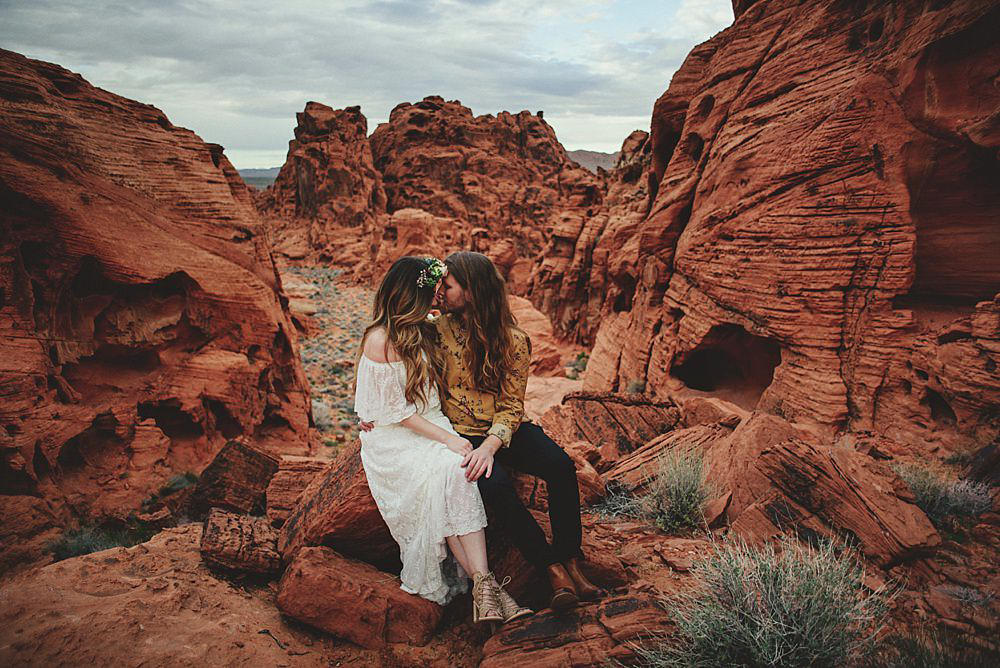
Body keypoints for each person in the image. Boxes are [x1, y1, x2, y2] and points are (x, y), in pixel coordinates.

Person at [352, 256, 531, 626]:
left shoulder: (423, 329)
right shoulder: (380, 339)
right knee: (449, 469)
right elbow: (398, 412)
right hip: (398, 436)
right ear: (412, 296)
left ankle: (485, 590)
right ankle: (493, 590)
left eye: (440, 293)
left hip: (431, 422)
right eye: (432, 295)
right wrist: (449, 439)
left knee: (456, 474)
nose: (438, 302)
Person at [434, 250, 601, 610]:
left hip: (504, 429)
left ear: (473, 290)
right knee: (496, 487)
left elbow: (512, 406)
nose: (441, 293)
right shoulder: (437, 331)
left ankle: (572, 559)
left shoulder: (512, 339)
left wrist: (491, 447)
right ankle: (552, 568)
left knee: (559, 465)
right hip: (463, 433)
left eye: (447, 286)